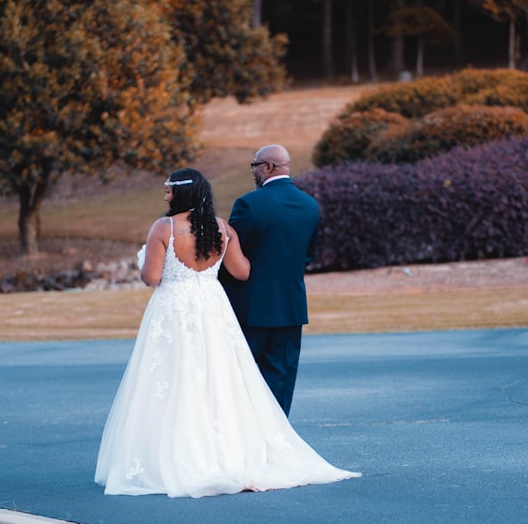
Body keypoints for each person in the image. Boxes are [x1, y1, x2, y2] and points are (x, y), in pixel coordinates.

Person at [94, 168, 358, 498]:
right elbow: (242, 271)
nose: (164, 194)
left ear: (181, 193)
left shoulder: (165, 228)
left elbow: (151, 277)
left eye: (168, 190)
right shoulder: (222, 228)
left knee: (175, 377)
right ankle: (227, 452)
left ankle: (180, 455)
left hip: (175, 309)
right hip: (212, 307)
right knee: (220, 377)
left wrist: (144, 258)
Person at [222, 144, 319, 416]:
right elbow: (307, 256)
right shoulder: (310, 205)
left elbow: (231, 257)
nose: (253, 171)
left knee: (241, 378)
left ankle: (244, 439)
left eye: (254, 165)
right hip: (291, 307)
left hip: (249, 306)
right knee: (282, 380)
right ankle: (278, 442)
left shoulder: (249, 204)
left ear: (267, 167)